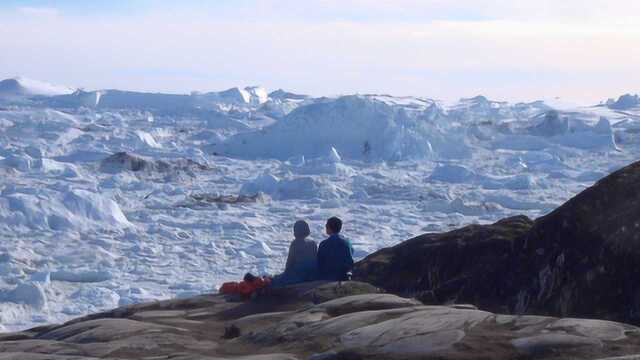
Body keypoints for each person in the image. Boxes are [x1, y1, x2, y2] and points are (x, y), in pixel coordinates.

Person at [271, 220, 318, 287]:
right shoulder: (313, 243)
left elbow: (289, 263)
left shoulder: (295, 243)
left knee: (274, 280)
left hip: (298, 276)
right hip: (311, 275)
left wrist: (285, 274)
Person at [317, 217, 354, 281]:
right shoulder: (347, 243)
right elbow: (350, 262)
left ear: (328, 227)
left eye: (326, 225)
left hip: (326, 277)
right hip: (342, 276)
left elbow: (319, 262)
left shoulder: (323, 244)